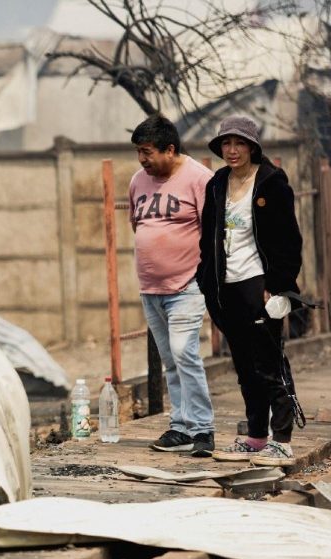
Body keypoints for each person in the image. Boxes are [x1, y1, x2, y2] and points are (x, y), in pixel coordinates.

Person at [197, 116, 303, 466]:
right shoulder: (217, 184)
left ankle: (282, 439)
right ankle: (257, 436)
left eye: (239, 143)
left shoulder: (272, 182)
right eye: (226, 144)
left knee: (269, 363)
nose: (232, 150)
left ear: (252, 147)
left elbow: (289, 240)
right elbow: (206, 239)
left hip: (259, 285)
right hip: (226, 288)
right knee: (243, 366)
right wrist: (206, 282)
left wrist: (276, 287)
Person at [129, 115, 215, 456]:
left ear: (170, 148)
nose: (142, 160)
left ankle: (203, 429)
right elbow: (137, 226)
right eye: (138, 152)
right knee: (170, 359)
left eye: (147, 152)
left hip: (188, 285)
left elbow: (214, 232)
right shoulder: (138, 181)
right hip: (151, 288)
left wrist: (204, 274)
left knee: (184, 353)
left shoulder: (199, 178)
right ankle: (180, 426)